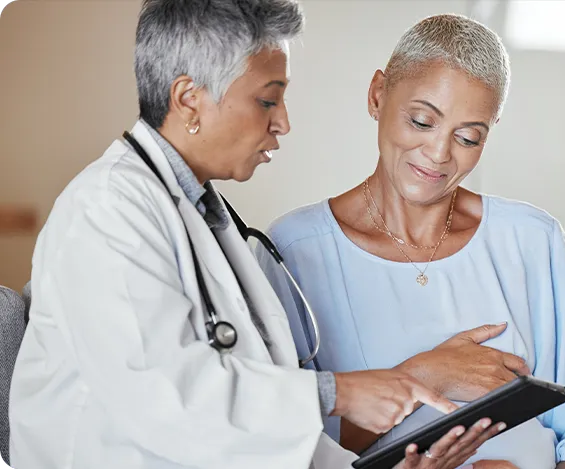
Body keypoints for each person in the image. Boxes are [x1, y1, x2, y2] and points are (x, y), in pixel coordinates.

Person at [7, 2, 505, 468]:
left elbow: (254, 420)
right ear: (189, 100)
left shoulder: (206, 217)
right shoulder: (107, 209)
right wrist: (339, 393)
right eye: (268, 100)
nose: (283, 123)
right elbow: (162, 398)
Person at [258, 13, 565, 469]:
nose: (438, 154)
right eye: (421, 121)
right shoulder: (294, 251)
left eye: (468, 137)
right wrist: (424, 376)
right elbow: (288, 437)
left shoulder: (533, 242)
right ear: (378, 94)